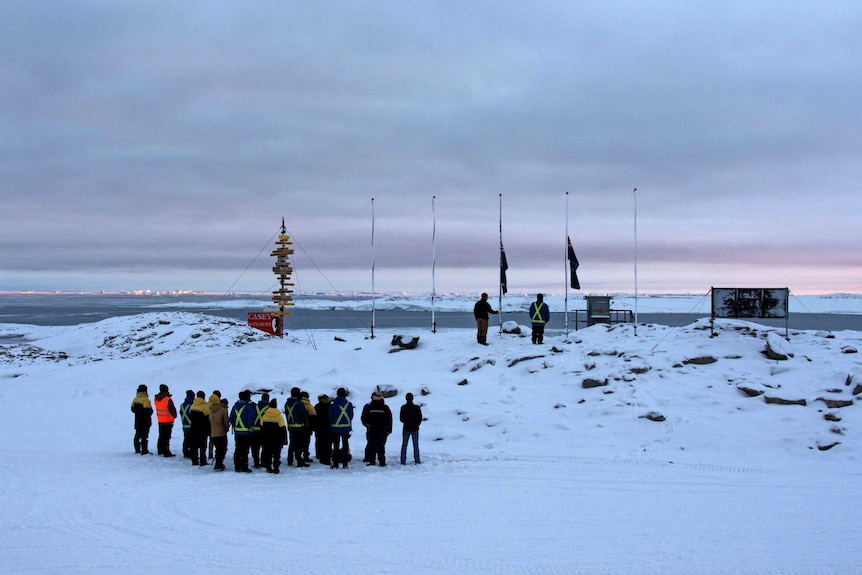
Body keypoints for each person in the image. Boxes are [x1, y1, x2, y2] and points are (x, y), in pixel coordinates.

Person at [361, 391, 392, 467]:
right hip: (382, 430)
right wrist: (389, 430)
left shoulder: (369, 407)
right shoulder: (385, 407)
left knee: (372, 446)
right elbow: (389, 419)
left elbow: (364, 418)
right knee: (381, 446)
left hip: (372, 430)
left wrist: (368, 425)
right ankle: (382, 461)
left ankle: (372, 461)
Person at [230, 390, 256, 473]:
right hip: (246, 432)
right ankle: (244, 466)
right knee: (245, 450)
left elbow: (231, 419)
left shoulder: (234, 407)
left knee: (238, 449)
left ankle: (237, 466)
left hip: (237, 432)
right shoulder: (248, 407)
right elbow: (250, 420)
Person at [284, 387, 310, 467]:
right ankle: (299, 460)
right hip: (299, 427)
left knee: (292, 443)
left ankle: (290, 459)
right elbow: (303, 415)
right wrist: (306, 422)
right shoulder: (299, 403)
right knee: (298, 444)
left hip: (291, 427)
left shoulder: (287, 403)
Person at [260, 398, 287, 474]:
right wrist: (284, 440)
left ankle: (268, 466)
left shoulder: (264, 416)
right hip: (276, 440)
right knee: (276, 454)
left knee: (267, 453)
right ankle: (276, 467)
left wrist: (261, 439)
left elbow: (261, 429)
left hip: (266, 439)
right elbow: (283, 429)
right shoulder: (279, 417)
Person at [329, 387, 354, 469]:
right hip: (346, 428)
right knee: (345, 444)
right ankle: (345, 463)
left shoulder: (333, 405)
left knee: (336, 445)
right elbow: (351, 416)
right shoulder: (349, 404)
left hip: (335, 428)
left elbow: (330, 416)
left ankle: (335, 463)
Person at [153, 384, 178, 457]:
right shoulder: (167, 399)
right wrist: (174, 415)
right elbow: (172, 410)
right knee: (167, 437)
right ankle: (166, 451)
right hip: (168, 420)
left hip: (160, 420)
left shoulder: (156, 399)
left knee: (161, 436)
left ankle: (160, 450)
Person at [188, 390, 211, 466]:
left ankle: (194, 460)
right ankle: (202, 460)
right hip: (202, 429)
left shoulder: (192, 405)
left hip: (193, 428)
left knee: (194, 445)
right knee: (202, 446)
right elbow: (208, 418)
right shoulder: (205, 406)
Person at [399, 393, 423, 465]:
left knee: (404, 445)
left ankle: (403, 461)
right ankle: (417, 460)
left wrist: (406, 422)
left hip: (406, 428)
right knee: (415, 445)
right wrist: (416, 424)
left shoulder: (403, 407)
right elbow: (420, 418)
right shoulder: (416, 407)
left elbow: (401, 419)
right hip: (415, 428)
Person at [130, 384, 153, 455]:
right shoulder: (146, 400)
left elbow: (132, 409)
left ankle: (137, 449)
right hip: (145, 421)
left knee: (137, 435)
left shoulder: (135, 399)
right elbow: (148, 411)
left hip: (137, 420)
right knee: (144, 436)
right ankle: (144, 450)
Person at [209, 397, 230, 471]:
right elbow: (225, 422)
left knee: (218, 449)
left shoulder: (212, 409)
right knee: (222, 449)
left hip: (213, 433)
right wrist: (227, 428)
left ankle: (218, 463)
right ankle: (219, 464)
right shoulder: (223, 410)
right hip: (221, 433)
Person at [313, 393, 333, 466]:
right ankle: (325, 459)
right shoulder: (328, 407)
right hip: (327, 427)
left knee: (319, 442)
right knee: (327, 443)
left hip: (319, 428)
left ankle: (319, 455)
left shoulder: (317, 406)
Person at [251, 392, 269, 469]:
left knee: (255, 448)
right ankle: (263, 461)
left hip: (254, 431)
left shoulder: (254, 407)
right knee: (265, 447)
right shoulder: (269, 408)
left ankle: (256, 461)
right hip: (264, 431)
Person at [300, 391, 316, 463]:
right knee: (306, 442)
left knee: (299, 442)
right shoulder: (310, 406)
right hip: (307, 428)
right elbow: (313, 416)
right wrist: (312, 428)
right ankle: (305, 455)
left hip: (298, 427)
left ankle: (298, 455)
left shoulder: (297, 404)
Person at [179, 390, 195, 459]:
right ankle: (190, 453)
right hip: (191, 425)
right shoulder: (192, 405)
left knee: (186, 439)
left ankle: (185, 452)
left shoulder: (182, 405)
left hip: (184, 424)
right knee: (191, 440)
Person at [206, 390, 222, 460]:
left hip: (207, 423)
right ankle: (216, 453)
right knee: (216, 440)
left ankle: (210, 453)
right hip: (215, 424)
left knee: (210, 440)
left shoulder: (206, 404)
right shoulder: (218, 405)